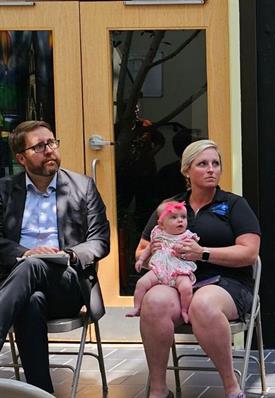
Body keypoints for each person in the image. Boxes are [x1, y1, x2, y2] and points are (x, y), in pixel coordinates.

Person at [136, 139, 261, 398]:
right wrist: (156, 255)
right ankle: (158, 389)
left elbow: (250, 253)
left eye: (216, 164)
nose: (211, 169)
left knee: (202, 303)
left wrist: (202, 254)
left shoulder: (234, 205)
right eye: (203, 164)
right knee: (154, 301)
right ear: (186, 171)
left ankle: (231, 387)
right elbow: (142, 250)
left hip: (227, 282)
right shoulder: (171, 208)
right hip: (176, 280)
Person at [0, 120, 110, 393]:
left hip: (67, 283)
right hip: (20, 286)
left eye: (52, 143)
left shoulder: (82, 187)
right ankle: (42, 392)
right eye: (39, 146)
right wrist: (26, 253)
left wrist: (68, 254)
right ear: (21, 158)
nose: (49, 150)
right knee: (31, 300)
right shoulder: (4, 190)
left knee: (34, 267)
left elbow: (100, 241)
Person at [127, 201, 199, 322]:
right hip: (159, 269)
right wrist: (141, 260)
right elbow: (148, 248)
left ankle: (184, 310)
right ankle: (137, 307)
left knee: (186, 288)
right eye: (174, 217)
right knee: (141, 283)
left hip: (179, 271)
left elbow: (196, 253)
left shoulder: (188, 236)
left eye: (183, 217)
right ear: (161, 224)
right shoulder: (158, 234)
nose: (180, 220)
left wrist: (187, 251)